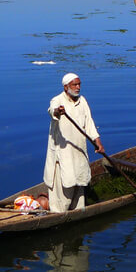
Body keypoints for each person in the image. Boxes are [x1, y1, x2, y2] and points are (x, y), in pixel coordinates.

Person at [44, 73, 103, 213]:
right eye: (74, 85)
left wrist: (98, 142)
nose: (78, 87)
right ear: (66, 87)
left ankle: (77, 212)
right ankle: (58, 213)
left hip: (79, 151)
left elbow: (89, 124)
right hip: (62, 154)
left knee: (79, 181)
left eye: (79, 84)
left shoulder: (82, 101)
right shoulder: (57, 100)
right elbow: (52, 110)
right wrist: (58, 111)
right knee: (65, 182)